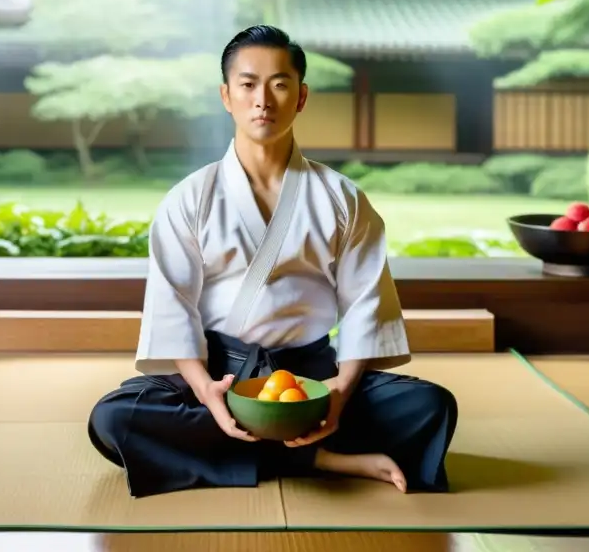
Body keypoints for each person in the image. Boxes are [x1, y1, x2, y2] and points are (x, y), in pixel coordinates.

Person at [87, 25, 458, 499]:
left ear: (301, 97)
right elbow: (172, 305)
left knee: (431, 406)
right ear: (226, 95)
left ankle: (260, 452)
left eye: (280, 84)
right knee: (114, 417)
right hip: (220, 373)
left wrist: (339, 395)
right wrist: (207, 393)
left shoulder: (342, 198)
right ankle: (318, 459)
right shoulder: (190, 198)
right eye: (247, 84)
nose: (263, 99)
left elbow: (367, 304)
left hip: (314, 378)